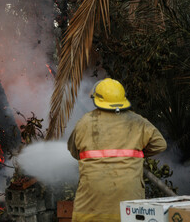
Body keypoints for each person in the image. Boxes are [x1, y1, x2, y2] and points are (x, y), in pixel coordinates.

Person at [68, 78, 167, 222]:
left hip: (91, 207)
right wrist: (135, 154)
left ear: (97, 99)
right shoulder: (137, 121)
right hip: (129, 206)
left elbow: (74, 151)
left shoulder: (84, 123)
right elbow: (160, 144)